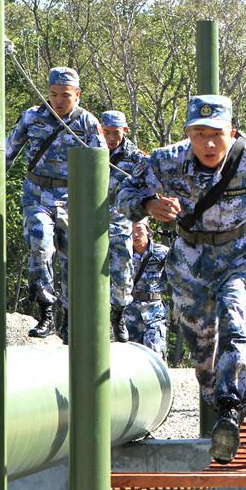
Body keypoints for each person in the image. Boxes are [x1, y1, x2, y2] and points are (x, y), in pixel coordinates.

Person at [117, 94, 246, 465]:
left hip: (238, 257)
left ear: (231, 130)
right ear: (188, 134)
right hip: (189, 266)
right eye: (199, 134)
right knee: (203, 356)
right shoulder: (168, 160)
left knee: (235, 320)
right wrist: (148, 205)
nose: (208, 144)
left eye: (216, 134)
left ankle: (231, 408)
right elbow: (123, 192)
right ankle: (223, 403)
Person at [4, 66, 105, 340]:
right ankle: (46, 309)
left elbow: (101, 166)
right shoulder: (32, 117)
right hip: (36, 195)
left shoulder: (87, 123)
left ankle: (70, 320)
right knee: (40, 244)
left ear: (77, 95)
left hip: (74, 202)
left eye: (65, 95)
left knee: (72, 262)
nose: (59, 100)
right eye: (53, 94)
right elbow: (8, 151)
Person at [100, 109, 145, 343]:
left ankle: (118, 315)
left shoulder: (136, 158)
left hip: (119, 222)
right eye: (106, 132)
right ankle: (71, 320)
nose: (110, 138)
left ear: (125, 131)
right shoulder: (89, 148)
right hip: (89, 223)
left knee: (121, 273)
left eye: (115, 133)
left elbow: (147, 189)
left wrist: (140, 219)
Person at [124, 219, 170, 358]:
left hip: (154, 312)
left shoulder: (162, 253)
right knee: (130, 358)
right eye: (132, 232)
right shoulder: (123, 254)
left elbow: (176, 278)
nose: (136, 235)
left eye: (139, 230)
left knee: (155, 355)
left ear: (147, 231)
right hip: (130, 314)